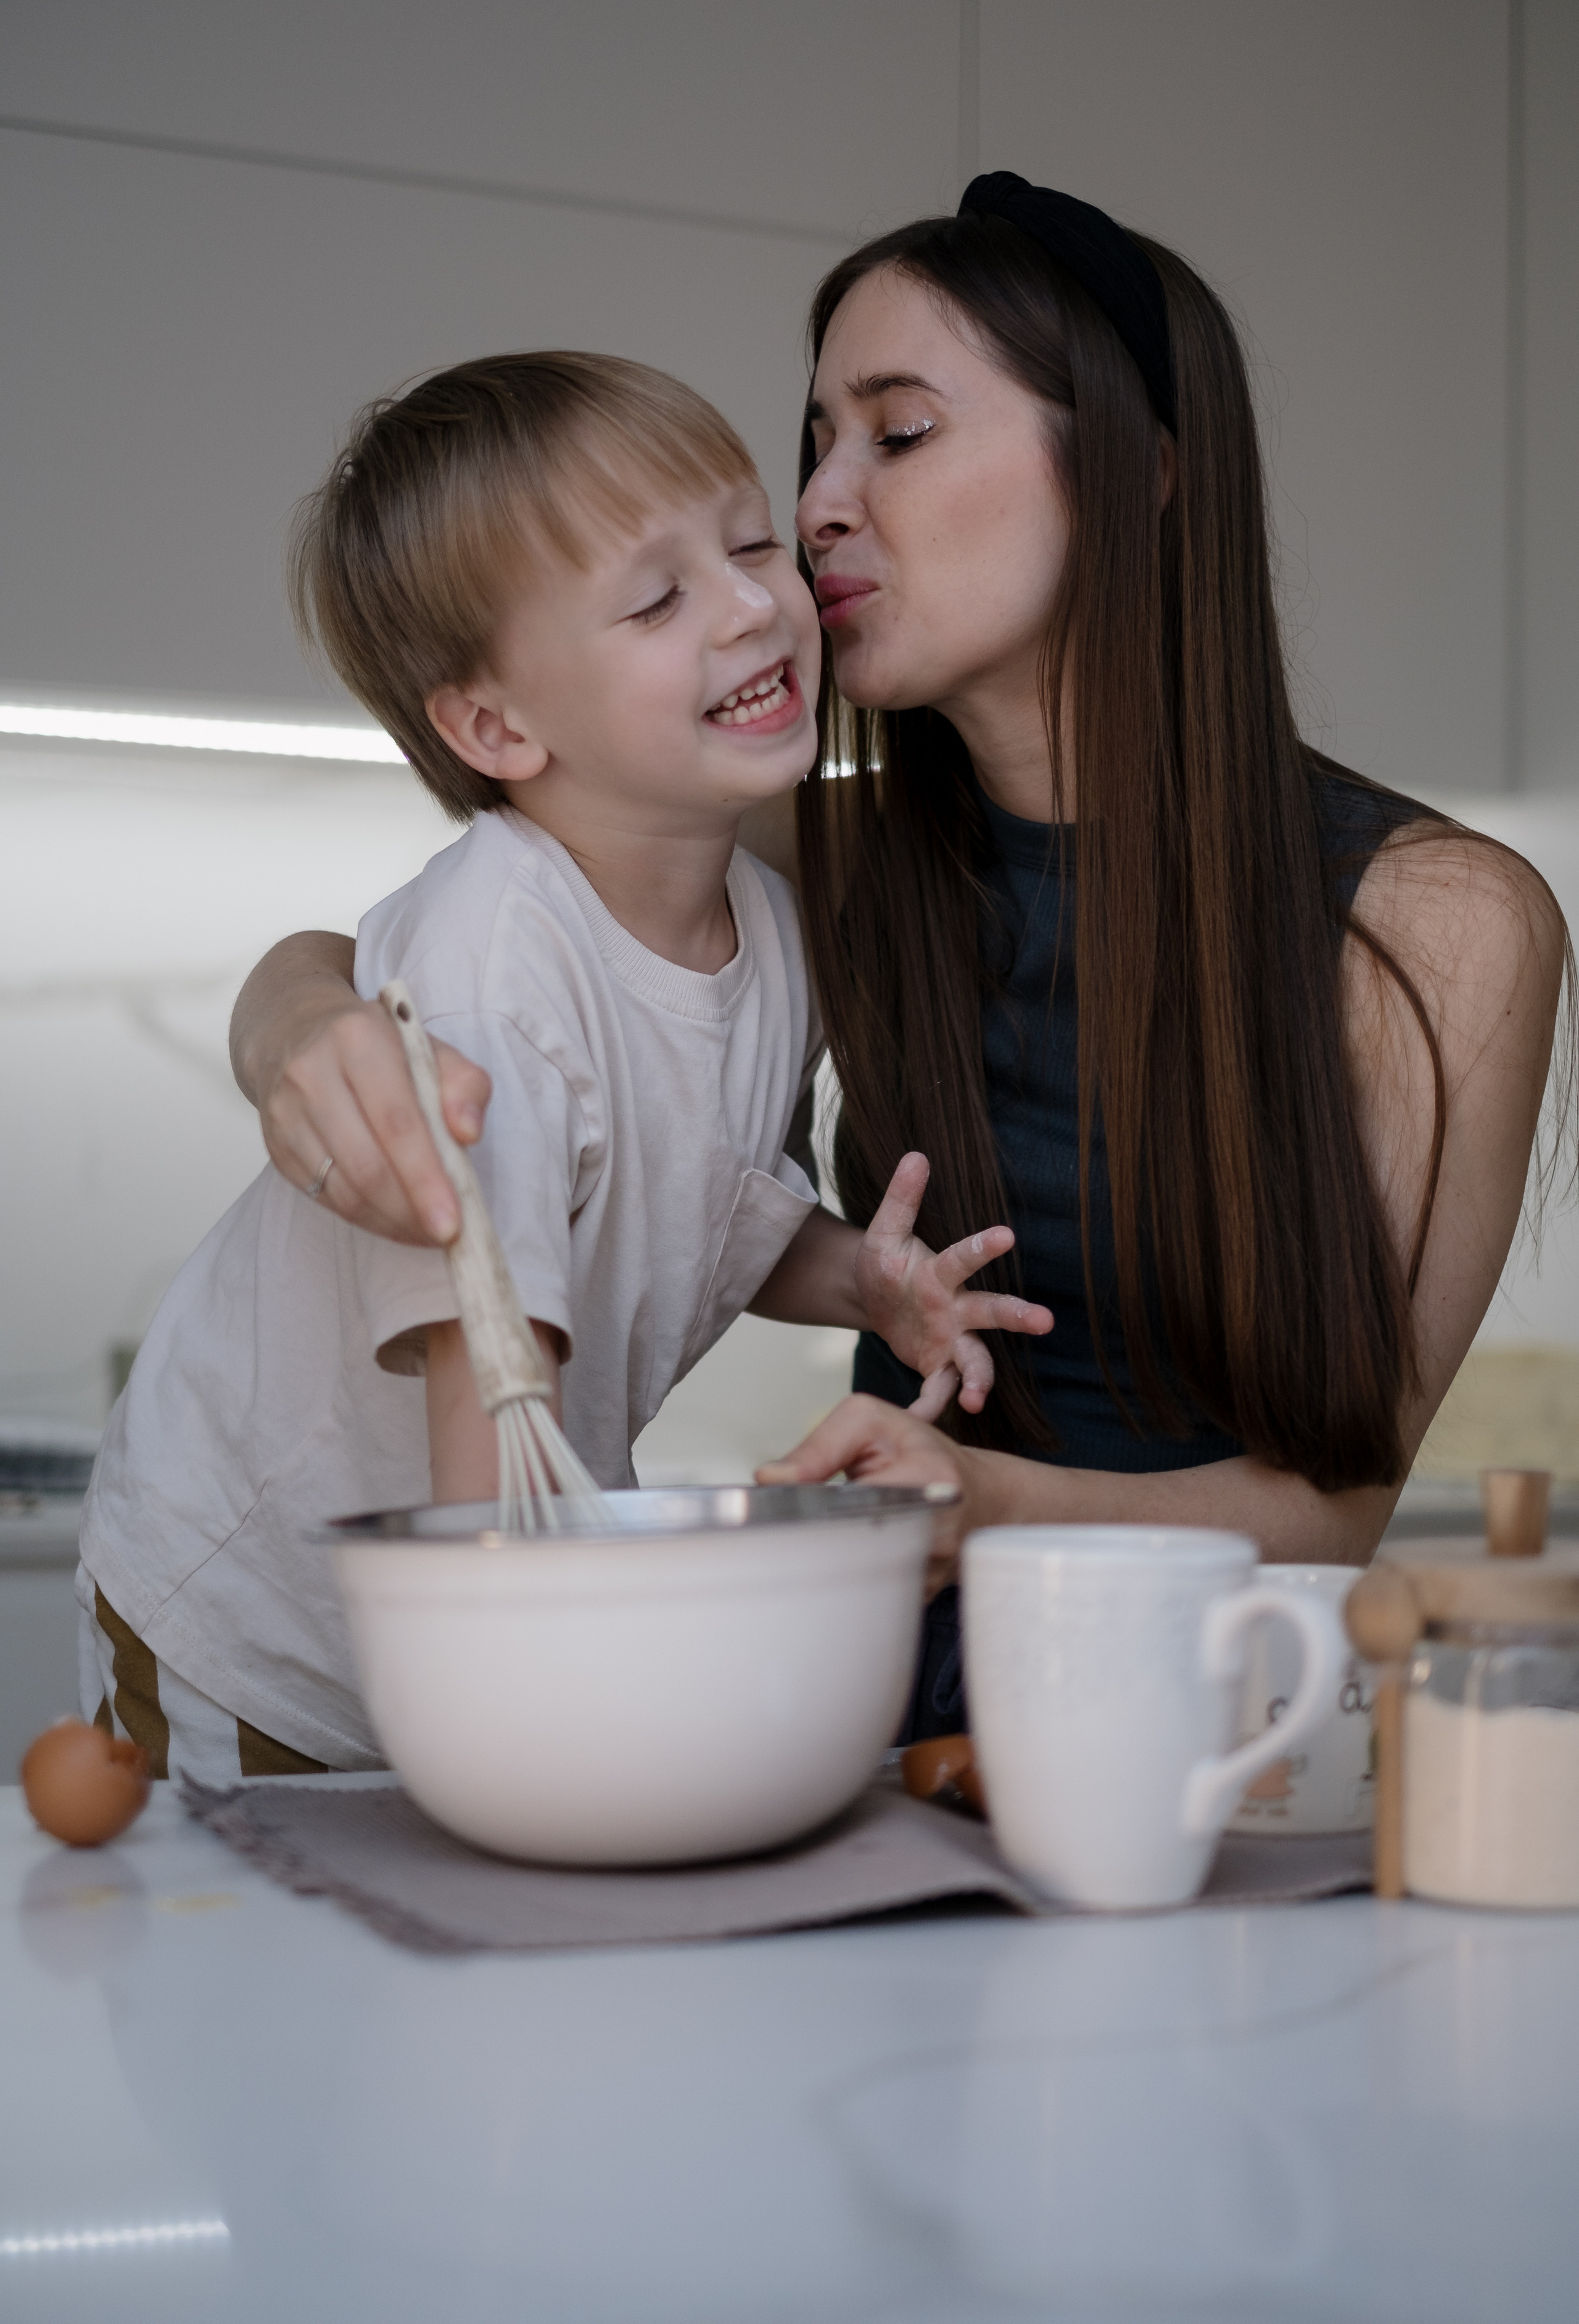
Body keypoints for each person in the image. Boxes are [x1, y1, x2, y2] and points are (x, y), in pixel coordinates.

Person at [227, 183, 1572, 1743]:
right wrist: (293, 1024)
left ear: (1139, 467)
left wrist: (983, 1500)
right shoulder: (828, 856)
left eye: (899, 432)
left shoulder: (1441, 927)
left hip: (1215, 1728)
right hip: (875, 1702)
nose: (813, 508)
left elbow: (1330, 1519)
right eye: (816, 443)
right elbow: (450, 935)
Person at [78, 350, 1049, 1778]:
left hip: (475, 1582)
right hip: (257, 1616)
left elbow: (704, 1211)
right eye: (657, 599)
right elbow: (492, 1390)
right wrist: (550, 1722)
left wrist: (864, 1281)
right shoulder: (491, 964)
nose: (748, 606)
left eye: (744, 542)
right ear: (494, 728)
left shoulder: (762, 928)